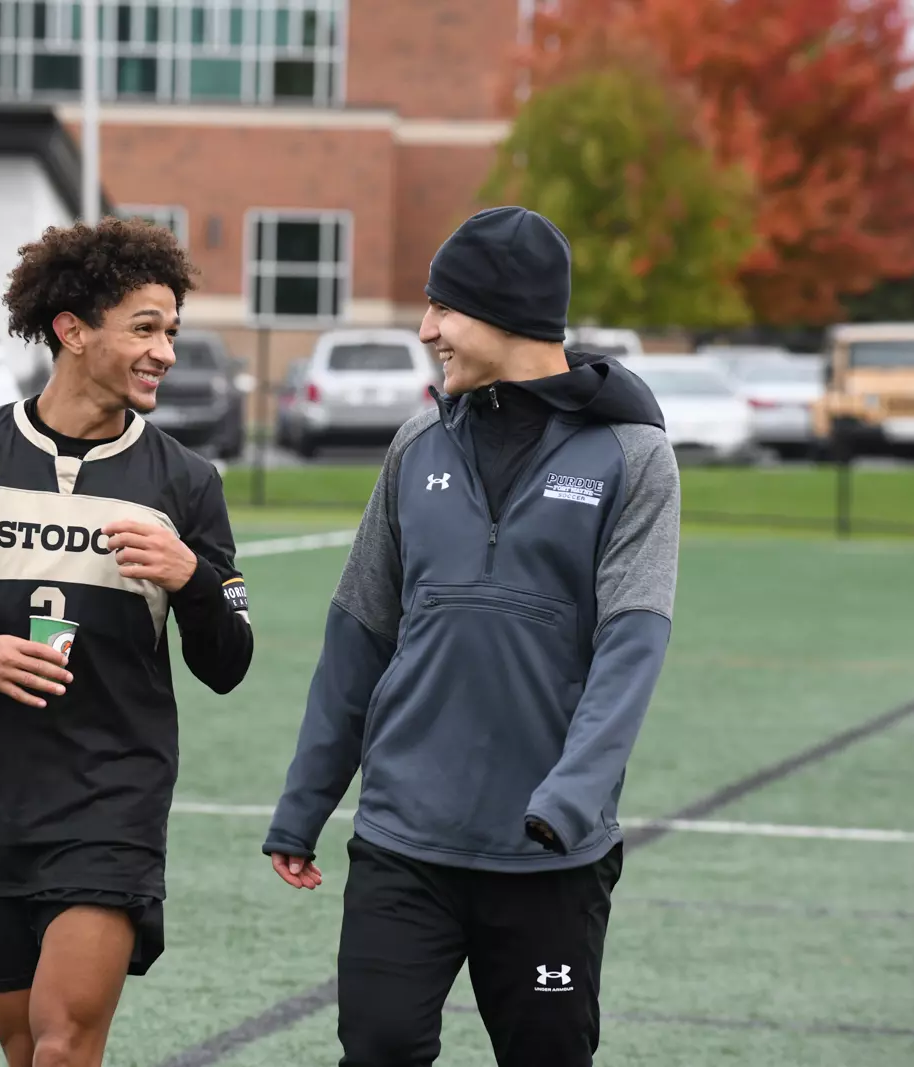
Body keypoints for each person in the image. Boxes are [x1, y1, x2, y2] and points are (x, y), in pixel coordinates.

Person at [262, 206, 681, 1067]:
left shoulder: (633, 456)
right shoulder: (417, 444)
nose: (426, 330)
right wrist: (306, 802)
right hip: (402, 838)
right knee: (376, 1049)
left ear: (503, 312)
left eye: (440, 308)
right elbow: (360, 633)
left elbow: (630, 649)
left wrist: (569, 799)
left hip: (548, 854)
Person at [0, 217, 253, 1067]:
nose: (166, 352)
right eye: (145, 328)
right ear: (73, 330)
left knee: (64, 1041)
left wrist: (190, 578)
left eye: (172, 333)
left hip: (114, 801)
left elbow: (228, 663)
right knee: (22, 1045)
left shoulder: (184, 483)